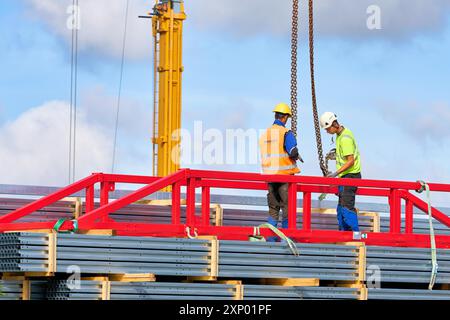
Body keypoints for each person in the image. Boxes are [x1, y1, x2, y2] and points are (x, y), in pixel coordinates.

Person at [259, 103, 302, 241]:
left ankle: (270, 241)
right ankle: (286, 240)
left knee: (273, 210)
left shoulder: (265, 134)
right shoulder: (285, 133)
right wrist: (296, 155)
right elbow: (292, 151)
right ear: (285, 118)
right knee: (288, 211)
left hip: (270, 178)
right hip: (284, 179)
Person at [320, 112, 361, 232]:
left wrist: (335, 174)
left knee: (346, 208)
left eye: (327, 129)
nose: (327, 132)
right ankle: (344, 234)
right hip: (345, 177)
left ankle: (355, 235)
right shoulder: (340, 135)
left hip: (350, 177)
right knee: (341, 208)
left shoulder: (345, 138)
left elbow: (350, 161)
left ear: (333, 124)